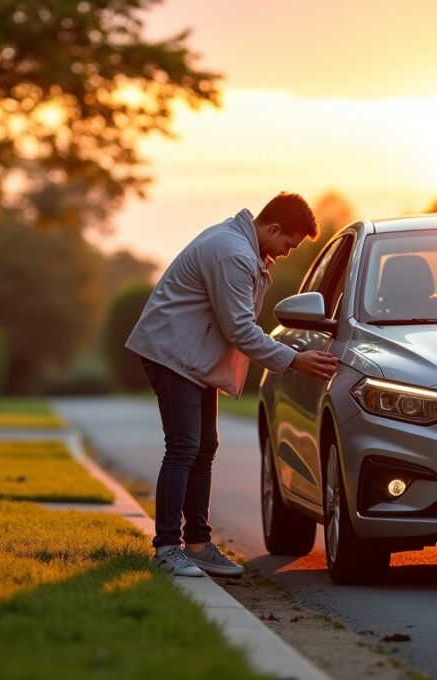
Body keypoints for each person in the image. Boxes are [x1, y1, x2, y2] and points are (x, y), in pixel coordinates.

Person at [126, 192, 339, 577]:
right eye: (288, 244)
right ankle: (167, 548)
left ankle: (198, 544)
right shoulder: (233, 254)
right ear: (273, 228)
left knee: (204, 447)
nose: (286, 253)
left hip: (194, 358)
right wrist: (294, 359)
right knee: (183, 447)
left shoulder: (243, 248)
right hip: (172, 354)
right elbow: (239, 329)